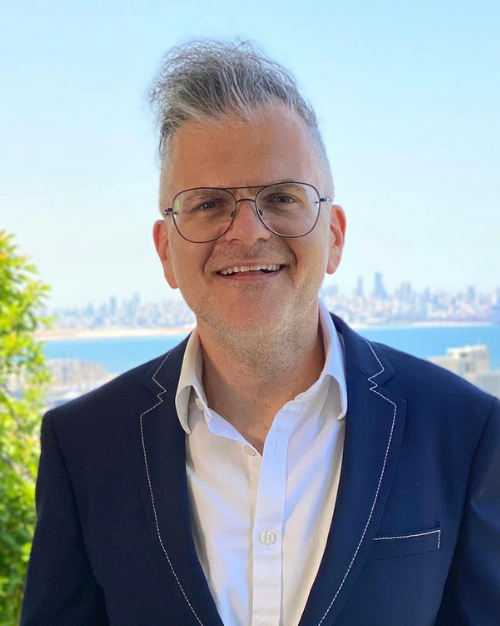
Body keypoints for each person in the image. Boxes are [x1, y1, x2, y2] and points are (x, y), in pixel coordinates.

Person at [20, 40, 500, 626]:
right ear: (165, 251)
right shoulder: (84, 446)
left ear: (336, 236)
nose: (247, 231)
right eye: (208, 204)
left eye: (281, 197)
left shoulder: (463, 431)